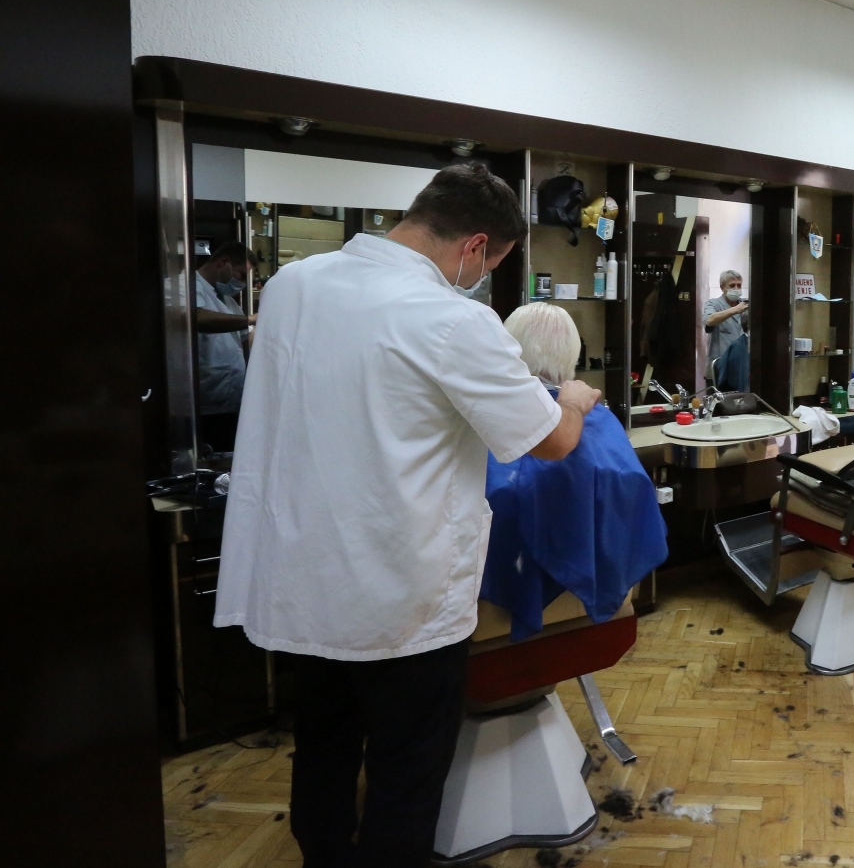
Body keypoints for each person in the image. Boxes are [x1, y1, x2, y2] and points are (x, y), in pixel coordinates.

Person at [213, 163, 602, 868]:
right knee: (405, 770)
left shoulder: (293, 285)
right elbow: (550, 441)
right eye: (491, 265)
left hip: (307, 577)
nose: (480, 278)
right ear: (475, 246)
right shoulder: (452, 318)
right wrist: (573, 399)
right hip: (402, 595)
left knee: (324, 745)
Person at [484, 303, 667, 640]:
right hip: (595, 589)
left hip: (503, 594)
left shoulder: (492, 414)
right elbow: (631, 485)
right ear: (572, 353)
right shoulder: (597, 417)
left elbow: (502, 494)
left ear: (510, 347)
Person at [193, 241, 254, 451]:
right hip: (206, 401)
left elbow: (246, 339)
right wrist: (251, 319)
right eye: (241, 275)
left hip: (232, 400)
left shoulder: (228, 301)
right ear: (223, 263)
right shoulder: (186, 286)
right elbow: (197, 318)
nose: (242, 283)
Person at [703, 269, 749, 391]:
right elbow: (709, 320)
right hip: (719, 368)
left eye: (739, 285)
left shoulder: (747, 304)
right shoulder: (713, 304)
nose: (736, 288)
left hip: (741, 368)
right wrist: (734, 310)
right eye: (732, 285)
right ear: (722, 287)